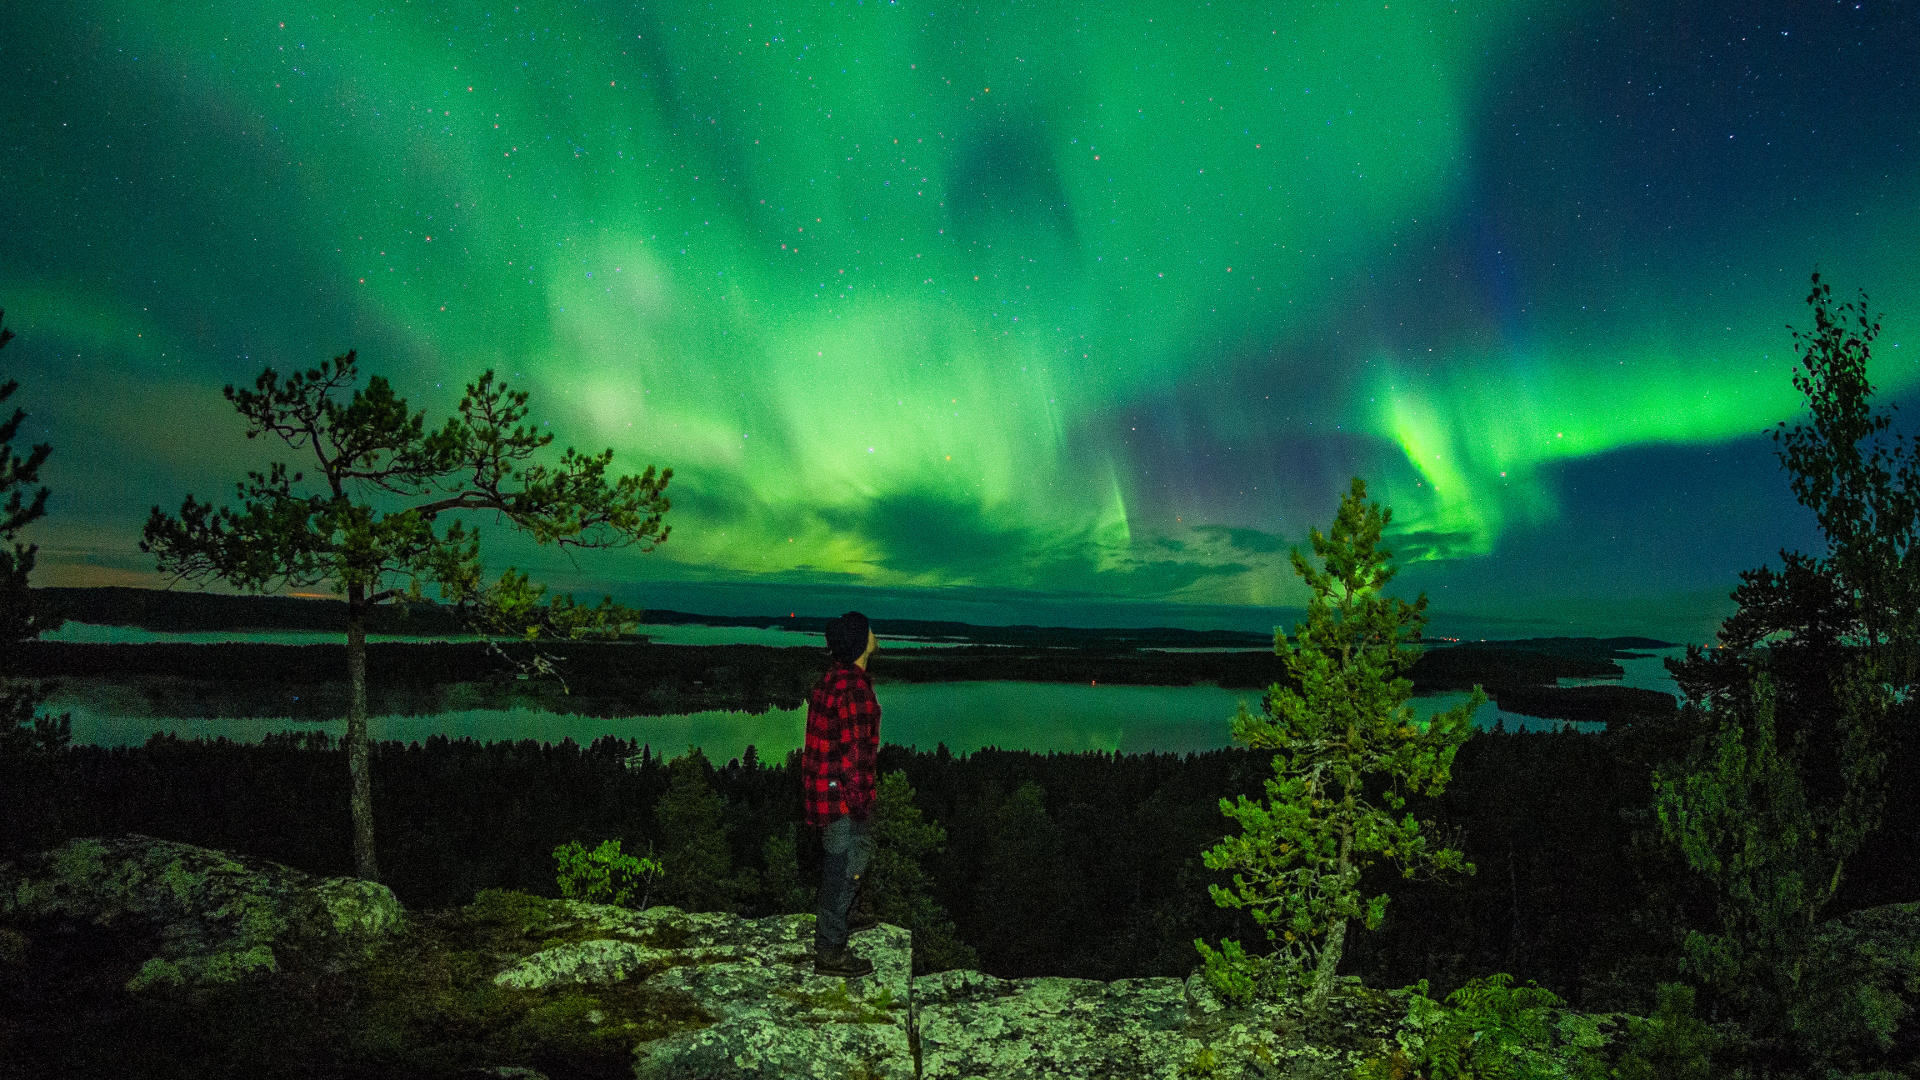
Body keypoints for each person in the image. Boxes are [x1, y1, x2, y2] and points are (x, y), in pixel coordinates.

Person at [803, 610, 882, 977]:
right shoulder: (855, 692)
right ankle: (830, 950)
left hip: (823, 792)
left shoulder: (833, 679)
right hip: (843, 798)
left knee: (849, 858)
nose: (874, 633)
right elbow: (855, 759)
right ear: (860, 644)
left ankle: (846, 912)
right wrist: (862, 804)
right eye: (869, 630)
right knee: (844, 863)